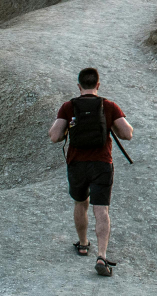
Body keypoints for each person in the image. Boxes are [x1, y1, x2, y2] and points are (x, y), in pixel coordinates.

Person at [48, 67, 134, 276]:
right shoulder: (109, 106)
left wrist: (69, 127)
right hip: (102, 163)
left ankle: (84, 244)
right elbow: (128, 133)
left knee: (80, 202)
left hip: (77, 163)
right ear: (98, 85)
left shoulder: (69, 107)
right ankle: (102, 256)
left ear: (79, 86)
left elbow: (54, 136)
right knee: (101, 209)